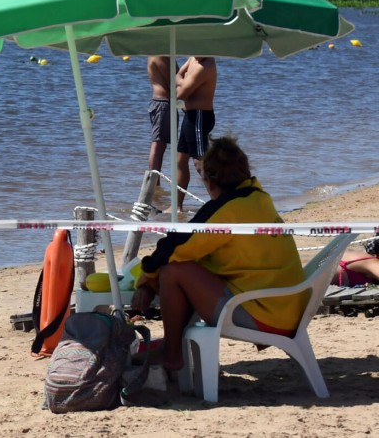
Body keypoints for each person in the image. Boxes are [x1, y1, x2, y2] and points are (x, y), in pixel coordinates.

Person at [131, 136, 306, 373]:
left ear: (210, 181)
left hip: (266, 315)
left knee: (173, 272)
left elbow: (173, 248)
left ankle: (172, 354)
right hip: (289, 308)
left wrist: (146, 281)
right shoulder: (259, 196)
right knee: (190, 266)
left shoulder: (226, 210)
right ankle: (175, 345)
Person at [173, 56, 217, 207]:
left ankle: (219, 200)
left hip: (200, 116)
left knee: (200, 162)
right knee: (180, 159)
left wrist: (180, 80)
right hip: (190, 115)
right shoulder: (193, 58)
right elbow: (178, 75)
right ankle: (177, 206)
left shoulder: (204, 65)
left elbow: (181, 93)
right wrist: (181, 79)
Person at [146, 55, 173, 200]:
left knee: (161, 145)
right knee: (158, 143)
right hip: (162, 103)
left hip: (164, 103)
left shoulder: (165, 54)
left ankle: (156, 182)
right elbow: (174, 80)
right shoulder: (159, 54)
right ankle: (153, 182)